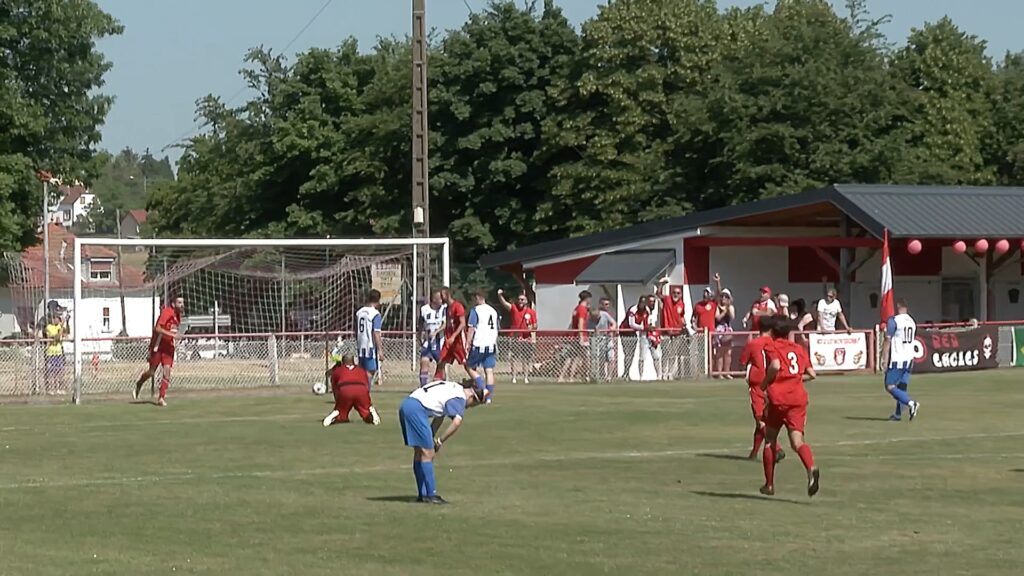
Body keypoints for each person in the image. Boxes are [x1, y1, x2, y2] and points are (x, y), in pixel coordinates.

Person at [398, 378, 485, 504]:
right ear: (472, 397)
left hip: (407, 405)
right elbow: (456, 422)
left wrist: (431, 436)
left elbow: (439, 416)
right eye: (472, 405)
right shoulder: (459, 398)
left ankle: (423, 494)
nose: (469, 407)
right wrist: (440, 441)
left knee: (420, 453)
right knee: (428, 454)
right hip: (416, 410)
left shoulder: (453, 387)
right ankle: (431, 495)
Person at [760, 320, 820, 498]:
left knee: (770, 439)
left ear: (772, 332)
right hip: (798, 399)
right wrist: (795, 380)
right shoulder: (798, 348)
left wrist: (764, 384)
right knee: (797, 441)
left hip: (779, 399)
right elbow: (812, 374)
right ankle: (811, 468)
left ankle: (769, 484)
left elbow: (776, 365)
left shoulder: (772, 346)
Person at [739, 315, 784, 462]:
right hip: (772, 384)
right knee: (763, 420)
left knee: (760, 421)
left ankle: (777, 448)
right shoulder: (774, 343)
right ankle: (753, 454)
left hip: (758, 385)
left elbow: (742, 361)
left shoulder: (753, 343)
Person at [132, 296, 185, 406]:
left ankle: (161, 397)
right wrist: (172, 334)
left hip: (168, 347)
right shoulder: (167, 312)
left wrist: (174, 336)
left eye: (182, 302)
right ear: (173, 304)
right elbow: (158, 328)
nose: (182, 305)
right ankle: (139, 383)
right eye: (179, 302)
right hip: (158, 346)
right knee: (151, 372)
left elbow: (173, 329)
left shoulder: (178, 316)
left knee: (167, 372)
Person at [881, 299, 920, 421]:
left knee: (890, 386)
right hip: (909, 358)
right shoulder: (912, 321)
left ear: (897, 307)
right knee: (902, 387)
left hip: (897, 358)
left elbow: (887, 340)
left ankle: (911, 403)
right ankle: (898, 414)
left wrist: (884, 359)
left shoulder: (894, 321)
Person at [322, 354, 381, 426]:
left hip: (345, 389)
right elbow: (366, 385)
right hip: (361, 390)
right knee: (365, 413)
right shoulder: (361, 370)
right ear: (354, 361)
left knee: (341, 415)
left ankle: (336, 413)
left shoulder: (338, 370)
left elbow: (329, 376)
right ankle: (370, 412)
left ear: (343, 362)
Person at [497, 288, 537, 384]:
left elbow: (535, 325)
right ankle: (514, 376)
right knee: (514, 358)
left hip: (526, 337)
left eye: (522, 299)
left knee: (526, 358)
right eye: (519, 299)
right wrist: (500, 296)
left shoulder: (531, 312)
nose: (520, 301)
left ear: (526, 301)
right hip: (515, 337)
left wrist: (531, 327)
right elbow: (505, 304)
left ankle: (525, 377)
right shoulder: (514, 308)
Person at [466, 291, 499, 403]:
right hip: (491, 344)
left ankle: (483, 389)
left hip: (479, 343)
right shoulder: (493, 311)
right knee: (489, 370)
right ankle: (489, 398)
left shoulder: (476, 310)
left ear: (478, 297)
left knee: (469, 367)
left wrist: (467, 342)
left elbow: (471, 328)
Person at [434, 287, 468, 380]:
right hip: (448, 340)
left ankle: (477, 383)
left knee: (467, 364)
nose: (440, 298)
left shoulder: (458, 306)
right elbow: (448, 324)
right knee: (441, 361)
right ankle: (439, 383)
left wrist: (453, 336)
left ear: (446, 295)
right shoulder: (447, 308)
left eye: (441, 295)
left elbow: (462, 323)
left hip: (458, 341)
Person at [657, 277, 687, 379]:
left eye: (678, 293)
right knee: (665, 353)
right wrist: (661, 284)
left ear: (681, 295)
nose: (676, 295)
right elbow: (658, 294)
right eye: (674, 292)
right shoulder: (667, 299)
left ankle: (670, 373)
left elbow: (682, 316)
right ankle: (663, 373)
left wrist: (684, 325)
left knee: (673, 354)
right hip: (666, 330)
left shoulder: (682, 304)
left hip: (677, 332)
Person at [558, 290, 591, 382]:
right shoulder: (582, 309)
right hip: (580, 336)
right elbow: (580, 323)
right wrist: (581, 337)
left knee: (573, 357)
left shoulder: (576, 308)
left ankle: (568, 377)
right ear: (587, 299)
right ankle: (585, 376)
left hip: (574, 336)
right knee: (586, 357)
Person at [355, 289, 384, 386]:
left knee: (362, 371)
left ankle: (359, 393)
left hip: (360, 345)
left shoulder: (359, 312)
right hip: (369, 346)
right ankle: (364, 394)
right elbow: (376, 332)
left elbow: (356, 330)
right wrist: (380, 350)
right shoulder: (375, 314)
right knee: (370, 371)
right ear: (378, 300)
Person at [418, 291, 446, 387]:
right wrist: (419, 336)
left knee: (441, 366)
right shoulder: (424, 309)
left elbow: (445, 324)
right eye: (440, 298)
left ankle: (442, 387)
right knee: (424, 363)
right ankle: (423, 387)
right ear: (434, 299)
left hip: (439, 342)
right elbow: (420, 324)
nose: (442, 300)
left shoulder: (444, 309)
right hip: (427, 342)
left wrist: (436, 332)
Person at [713, 289, 736, 379]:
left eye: (726, 296)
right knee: (720, 352)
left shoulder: (731, 307)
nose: (724, 298)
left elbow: (732, 317)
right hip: (719, 330)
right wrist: (724, 311)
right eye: (722, 296)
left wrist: (728, 308)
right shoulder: (717, 307)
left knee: (728, 352)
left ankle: (727, 372)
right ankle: (719, 373)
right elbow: (717, 318)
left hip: (728, 330)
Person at [44, 311, 65, 395]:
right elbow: (55, 337)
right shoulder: (49, 327)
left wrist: (63, 327)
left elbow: (64, 334)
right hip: (51, 352)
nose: (57, 320)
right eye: (56, 318)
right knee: (51, 372)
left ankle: (58, 388)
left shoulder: (60, 327)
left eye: (58, 319)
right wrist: (60, 330)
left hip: (59, 352)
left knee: (59, 372)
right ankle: (51, 389)